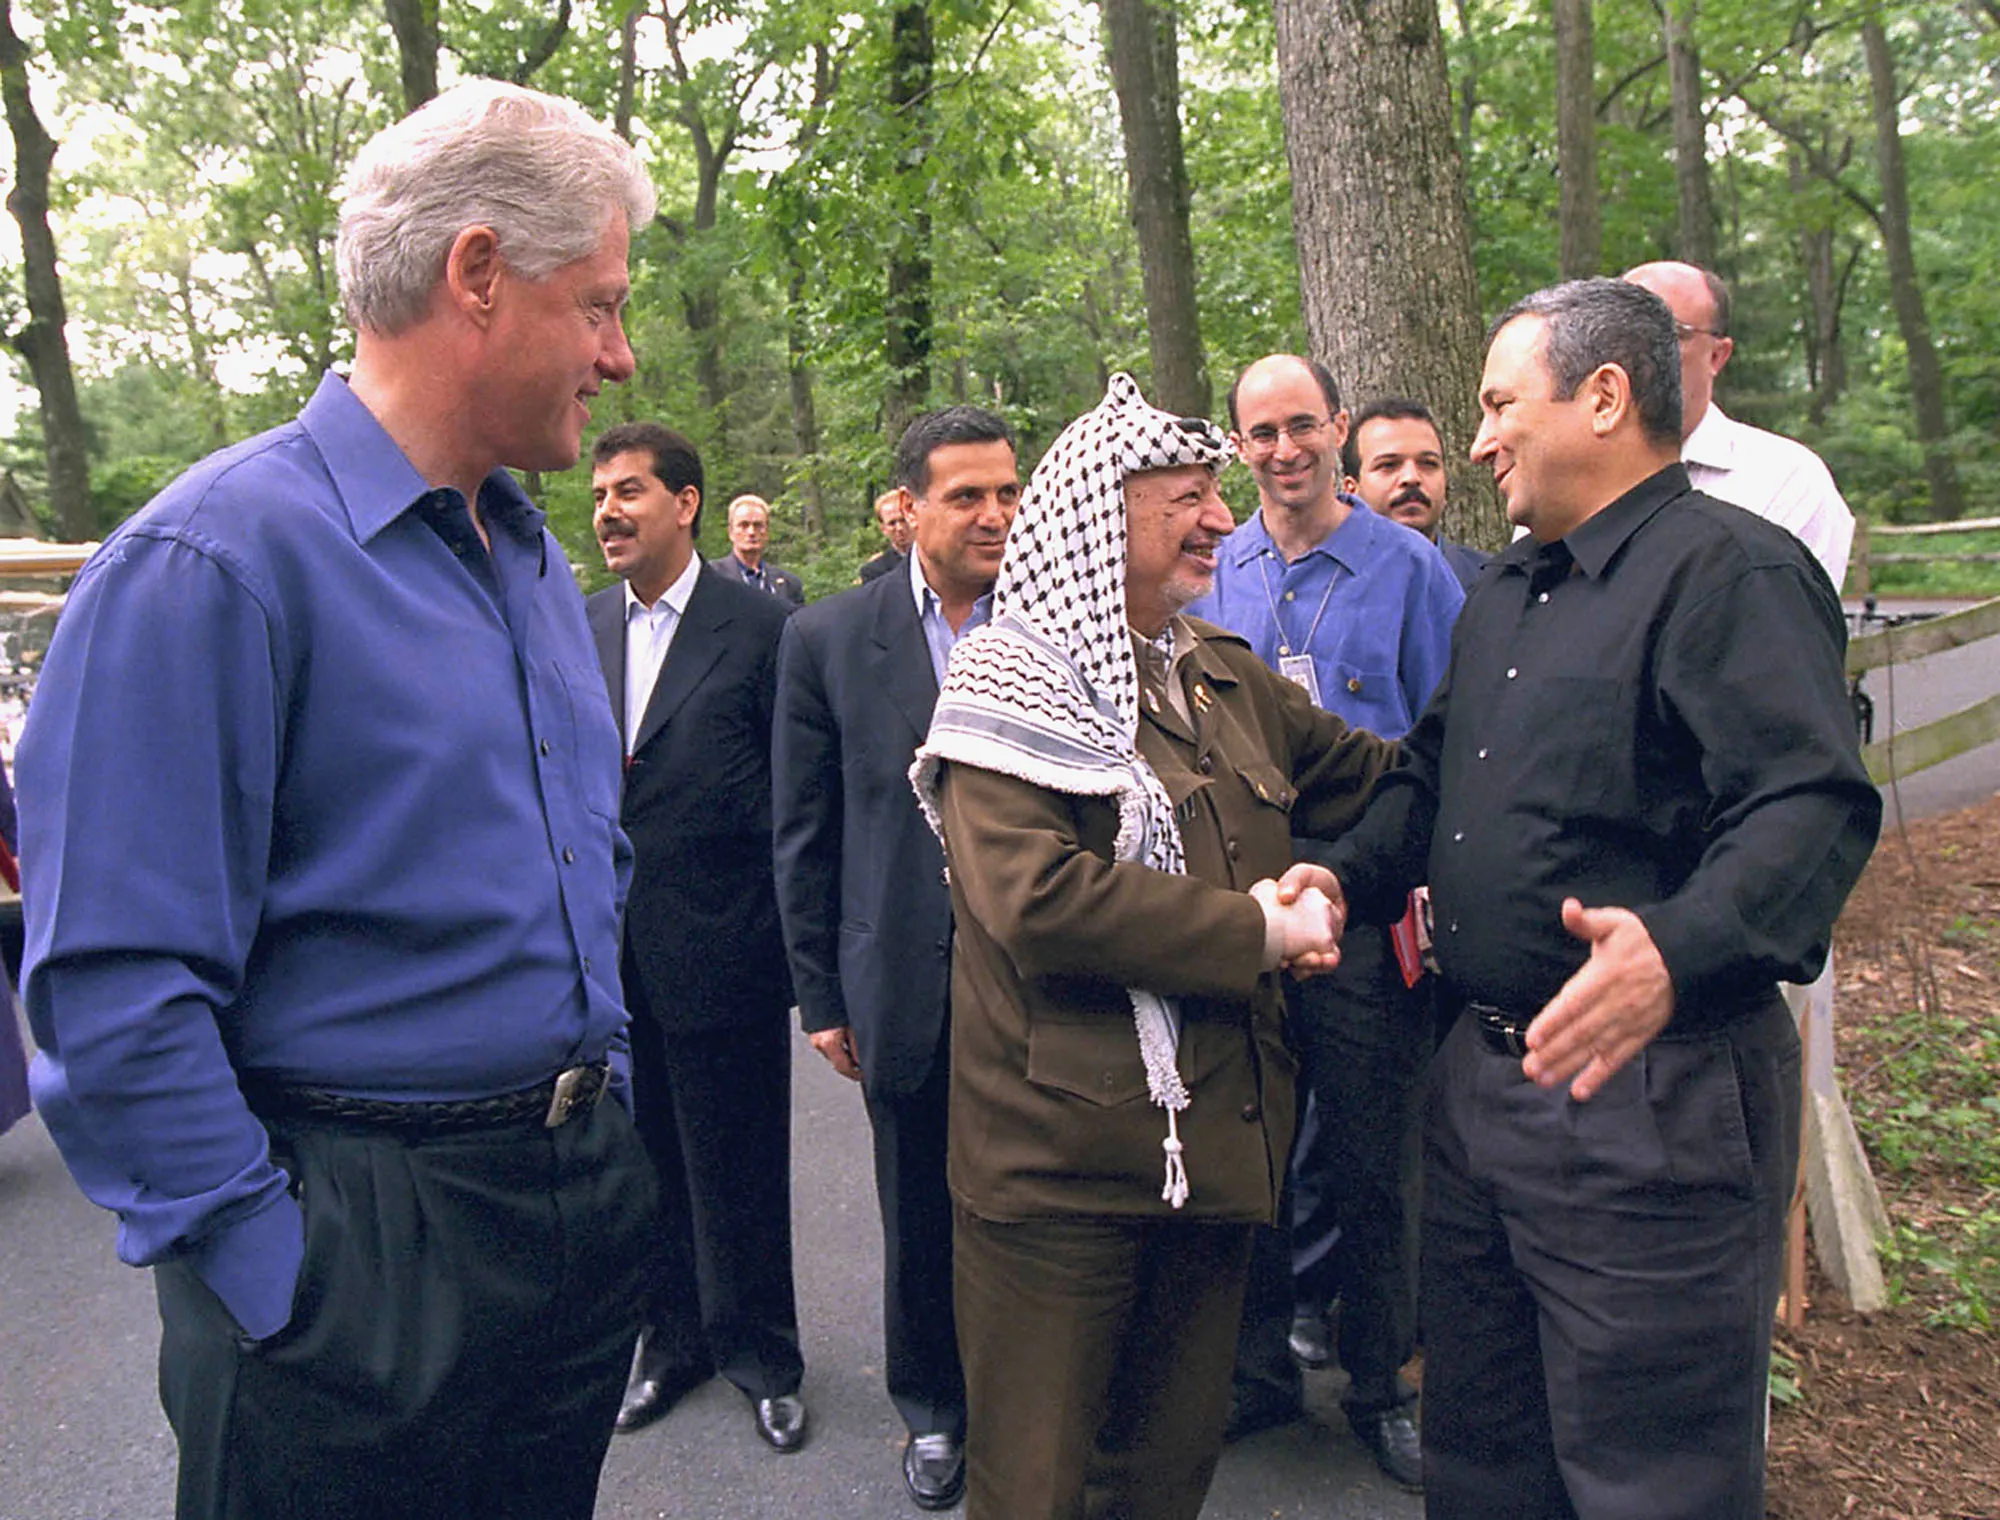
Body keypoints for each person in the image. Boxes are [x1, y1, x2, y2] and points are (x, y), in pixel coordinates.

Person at [16, 81, 660, 1520]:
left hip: (563, 1214)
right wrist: (275, 1277)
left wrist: (601, 1133)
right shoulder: (210, 565)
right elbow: (116, 988)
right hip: (356, 1242)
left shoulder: (526, 563)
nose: (621, 357)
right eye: (599, 304)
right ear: (478, 274)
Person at [1319, 277, 1881, 1517]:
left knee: (1649, 1478)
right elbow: (1428, 781)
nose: (1476, 441)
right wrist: (1337, 876)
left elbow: (1808, 805)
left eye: (1498, 403)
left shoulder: (1729, 573)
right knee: (1481, 1457)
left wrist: (1673, 950)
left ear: (1605, 396)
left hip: (1651, 1111)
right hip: (1475, 1093)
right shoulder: (1506, 592)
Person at [911, 373, 1395, 1520]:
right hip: (1059, 1177)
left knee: (1164, 1475)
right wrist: (1260, 930)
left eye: (1215, 496)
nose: (1222, 521)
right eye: (1187, 498)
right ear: (1099, 515)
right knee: (1036, 1485)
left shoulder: (1217, 669)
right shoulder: (1009, 680)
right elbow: (1034, 899)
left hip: (1211, 1153)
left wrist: (1334, 877)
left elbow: (1377, 781)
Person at [1189, 354, 1461, 1489]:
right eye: (1261, 431)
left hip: (1364, 905)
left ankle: (1376, 1379)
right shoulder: (1215, 566)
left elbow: (1443, 751)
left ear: (1336, 429)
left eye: (1302, 425)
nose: (1283, 449)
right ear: (1238, 444)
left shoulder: (1412, 570)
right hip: (1240, 911)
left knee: (1371, 1155)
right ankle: (1251, 1372)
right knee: (1242, 1140)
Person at [771, 404, 1021, 1510]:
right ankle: (934, 1406)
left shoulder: (1058, 623)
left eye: (1007, 491)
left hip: (1040, 977)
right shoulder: (827, 639)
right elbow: (804, 828)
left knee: (1040, 1200)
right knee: (919, 1206)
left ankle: (1032, 1393)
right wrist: (821, 993)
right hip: (902, 980)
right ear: (906, 506)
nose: (994, 514)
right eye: (966, 495)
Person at [585, 423, 807, 1452]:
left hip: (729, 948)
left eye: (629, 490)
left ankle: (763, 1352)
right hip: (610, 961)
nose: (607, 511)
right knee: (642, 1171)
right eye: (598, 494)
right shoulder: (577, 626)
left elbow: (792, 802)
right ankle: (667, 1341)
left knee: (740, 1165)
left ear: (686, 503)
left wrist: (788, 947)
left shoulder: (757, 629)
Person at [1622, 260, 1855, 589]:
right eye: (1621, 332)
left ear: (1717, 356)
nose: (1638, 352)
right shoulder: (1565, 474)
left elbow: (1782, 628)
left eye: (1669, 334)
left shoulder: (1787, 481)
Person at [1343, 396, 1490, 592]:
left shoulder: (1493, 583)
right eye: (1388, 465)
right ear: (1352, 491)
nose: (1411, 478)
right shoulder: (1321, 590)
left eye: (1428, 464)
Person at [712, 493, 806, 605]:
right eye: (744, 525)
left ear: (766, 532)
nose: (751, 532)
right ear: (731, 532)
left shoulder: (789, 584)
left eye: (758, 525)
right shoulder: (712, 576)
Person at [858, 488, 916, 583]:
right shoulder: (874, 572)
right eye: (892, 523)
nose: (900, 528)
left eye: (903, 520)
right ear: (883, 529)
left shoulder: (937, 560)